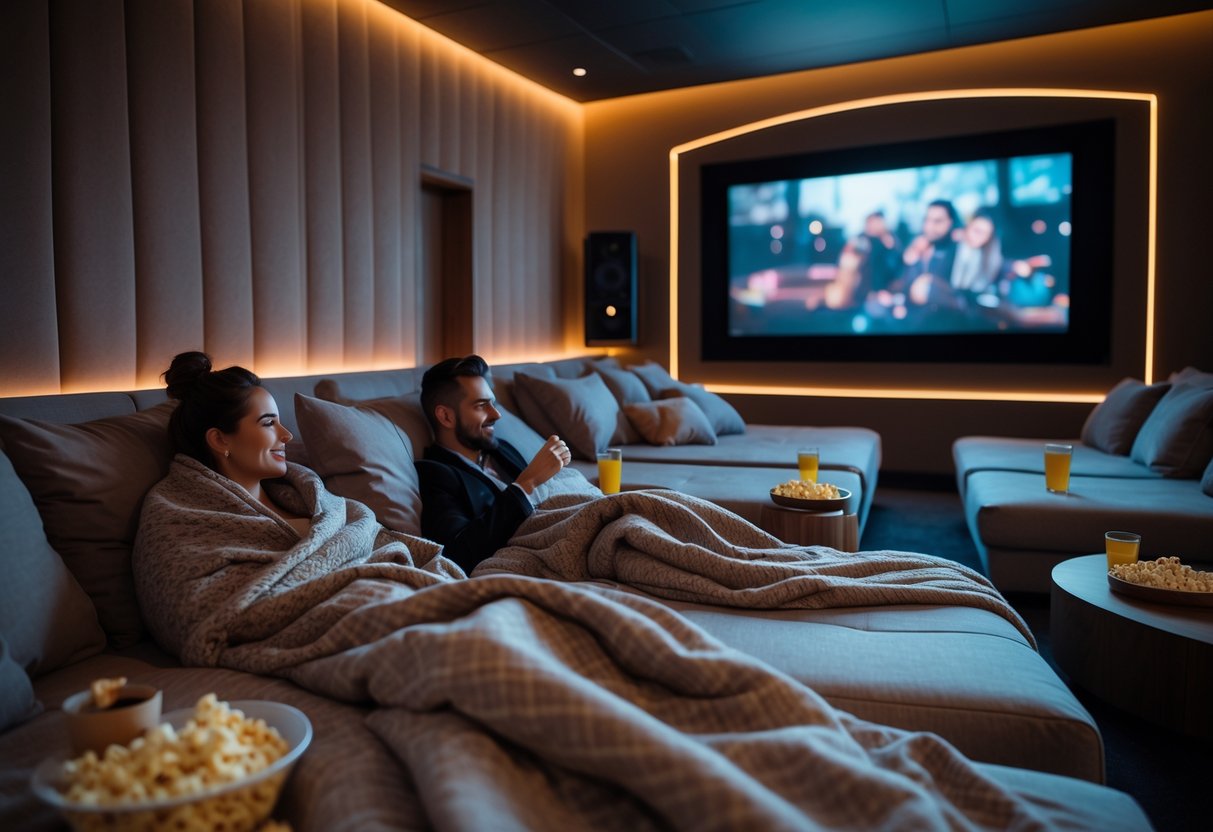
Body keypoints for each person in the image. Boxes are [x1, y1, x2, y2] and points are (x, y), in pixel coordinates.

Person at [414, 355, 573, 571]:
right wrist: (527, 483)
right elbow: (456, 553)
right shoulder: (435, 475)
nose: (496, 414)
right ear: (446, 417)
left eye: (493, 403)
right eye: (481, 405)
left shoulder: (500, 448)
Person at [163, 351, 311, 535]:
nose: (287, 435)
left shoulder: (308, 495)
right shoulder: (185, 524)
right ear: (219, 440)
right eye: (268, 423)